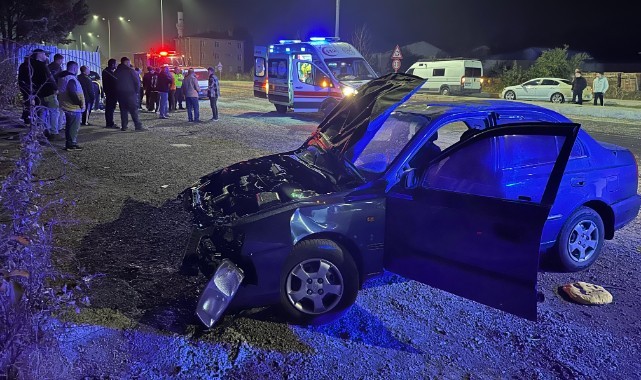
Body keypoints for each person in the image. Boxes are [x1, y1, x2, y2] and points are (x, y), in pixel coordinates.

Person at [57, 61, 85, 151]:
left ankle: (70, 143)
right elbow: (72, 92)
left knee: (69, 126)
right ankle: (71, 144)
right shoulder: (71, 78)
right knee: (73, 126)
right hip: (73, 107)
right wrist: (79, 103)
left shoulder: (63, 77)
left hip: (66, 105)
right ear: (74, 68)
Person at [114, 57, 146, 131]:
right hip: (131, 94)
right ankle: (138, 126)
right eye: (128, 62)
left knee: (123, 110)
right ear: (125, 62)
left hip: (120, 94)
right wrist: (136, 92)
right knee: (134, 110)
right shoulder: (131, 71)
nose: (129, 64)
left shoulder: (116, 72)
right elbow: (137, 82)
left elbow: (114, 83)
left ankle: (124, 126)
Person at [102, 59, 119, 128]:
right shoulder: (108, 72)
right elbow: (114, 82)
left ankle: (109, 123)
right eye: (116, 64)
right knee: (110, 108)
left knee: (110, 108)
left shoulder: (107, 71)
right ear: (112, 65)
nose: (116, 65)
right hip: (111, 93)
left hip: (110, 93)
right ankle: (110, 123)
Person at [17, 56, 32, 124]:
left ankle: (25, 116)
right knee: (28, 102)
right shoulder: (26, 66)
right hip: (27, 87)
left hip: (24, 87)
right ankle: (27, 117)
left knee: (27, 101)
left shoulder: (23, 65)